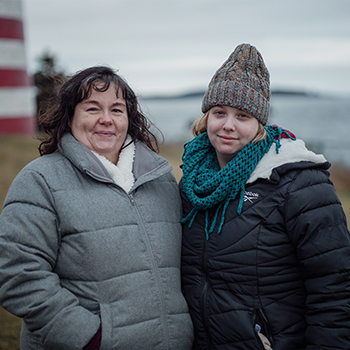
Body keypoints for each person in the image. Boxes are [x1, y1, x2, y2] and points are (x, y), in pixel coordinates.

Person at [0, 66, 193, 350]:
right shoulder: (40, 180)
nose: (106, 120)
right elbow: (17, 273)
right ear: (71, 116)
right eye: (92, 109)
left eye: (117, 110)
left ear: (129, 118)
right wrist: (87, 338)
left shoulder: (160, 178)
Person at [180, 43, 350, 349]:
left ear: (260, 123)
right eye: (220, 112)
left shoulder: (299, 183)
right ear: (207, 117)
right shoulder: (193, 182)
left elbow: (335, 288)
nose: (228, 125)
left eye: (242, 115)